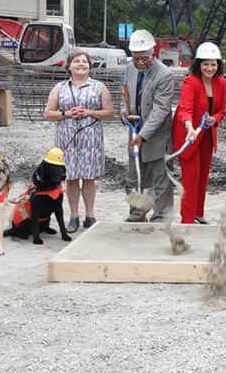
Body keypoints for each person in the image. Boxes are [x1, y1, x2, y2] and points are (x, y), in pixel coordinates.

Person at [44, 50, 114, 232]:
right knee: (71, 178)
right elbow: (48, 113)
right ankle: (73, 216)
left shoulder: (99, 87)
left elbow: (109, 112)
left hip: (91, 138)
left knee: (89, 177)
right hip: (67, 138)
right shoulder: (59, 88)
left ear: (90, 66)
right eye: (77, 61)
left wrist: (90, 112)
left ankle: (90, 215)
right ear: (69, 66)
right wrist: (66, 113)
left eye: (85, 62)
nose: (81, 64)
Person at [120, 29, 175, 223]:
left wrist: (143, 136)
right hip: (134, 132)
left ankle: (161, 216)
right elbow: (125, 94)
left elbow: (161, 109)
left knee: (161, 179)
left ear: (153, 53)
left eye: (145, 58)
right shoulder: (129, 68)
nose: (141, 62)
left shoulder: (164, 75)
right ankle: (136, 214)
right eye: (137, 58)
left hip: (157, 136)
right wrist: (124, 113)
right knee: (134, 177)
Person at [172, 42, 226, 224]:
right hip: (190, 135)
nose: (210, 68)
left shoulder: (221, 83)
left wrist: (215, 119)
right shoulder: (191, 82)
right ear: (198, 64)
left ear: (218, 65)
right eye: (206, 64)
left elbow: (221, 110)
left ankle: (198, 212)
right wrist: (189, 127)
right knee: (191, 177)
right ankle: (187, 219)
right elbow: (184, 109)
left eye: (213, 64)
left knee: (203, 176)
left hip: (207, 136)